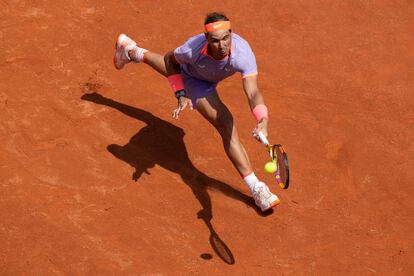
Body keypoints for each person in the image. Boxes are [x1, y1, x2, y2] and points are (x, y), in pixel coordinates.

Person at [113, 12, 280, 212]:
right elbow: (170, 61)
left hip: (208, 76)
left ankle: (131, 51)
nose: (222, 45)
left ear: (231, 33)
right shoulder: (191, 50)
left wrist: (262, 119)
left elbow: (252, 91)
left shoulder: (243, 53)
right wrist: (180, 93)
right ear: (207, 38)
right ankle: (257, 188)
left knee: (154, 62)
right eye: (216, 41)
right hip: (194, 80)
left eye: (226, 38)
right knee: (226, 124)